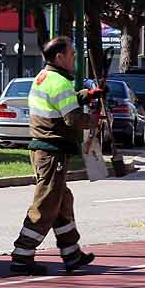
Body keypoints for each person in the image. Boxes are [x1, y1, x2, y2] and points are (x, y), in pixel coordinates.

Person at [11, 36, 100, 275]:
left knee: (62, 201)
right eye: (71, 55)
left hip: (44, 149)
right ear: (59, 57)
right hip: (53, 152)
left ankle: (71, 254)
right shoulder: (60, 83)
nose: (75, 59)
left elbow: (59, 105)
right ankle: (22, 255)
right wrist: (93, 118)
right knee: (47, 203)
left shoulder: (44, 78)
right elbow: (72, 119)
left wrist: (85, 95)